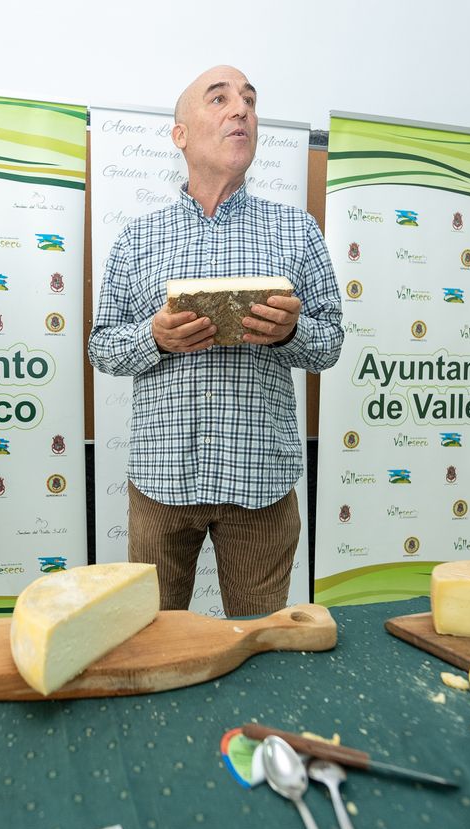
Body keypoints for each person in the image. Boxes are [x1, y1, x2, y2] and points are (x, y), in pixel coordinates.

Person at [89, 65, 343, 616]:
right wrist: (154, 338)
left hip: (261, 485)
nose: (241, 110)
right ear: (180, 134)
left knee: (258, 645)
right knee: (153, 639)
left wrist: (289, 333)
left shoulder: (297, 231)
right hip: (161, 482)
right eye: (220, 98)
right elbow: (103, 345)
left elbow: (329, 343)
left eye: (250, 101)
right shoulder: (137, 239)